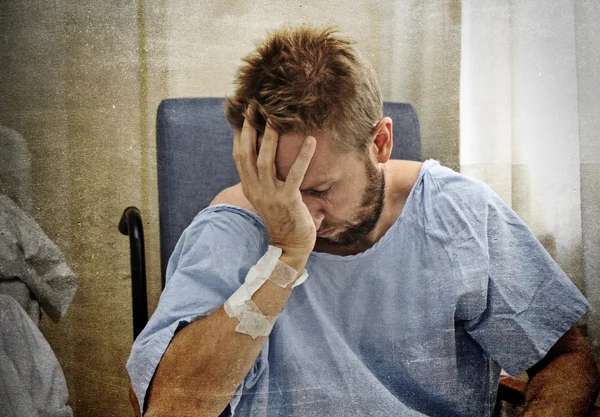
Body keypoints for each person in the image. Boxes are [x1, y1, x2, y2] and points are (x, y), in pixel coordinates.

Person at [127, 25, 600, 416]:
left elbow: (564, 360)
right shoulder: (230, 230)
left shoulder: (457, 212)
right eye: (274, 187)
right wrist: (284, 256)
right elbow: (168, 407)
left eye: (319, 189)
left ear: (379, 144)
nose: (302, 214)